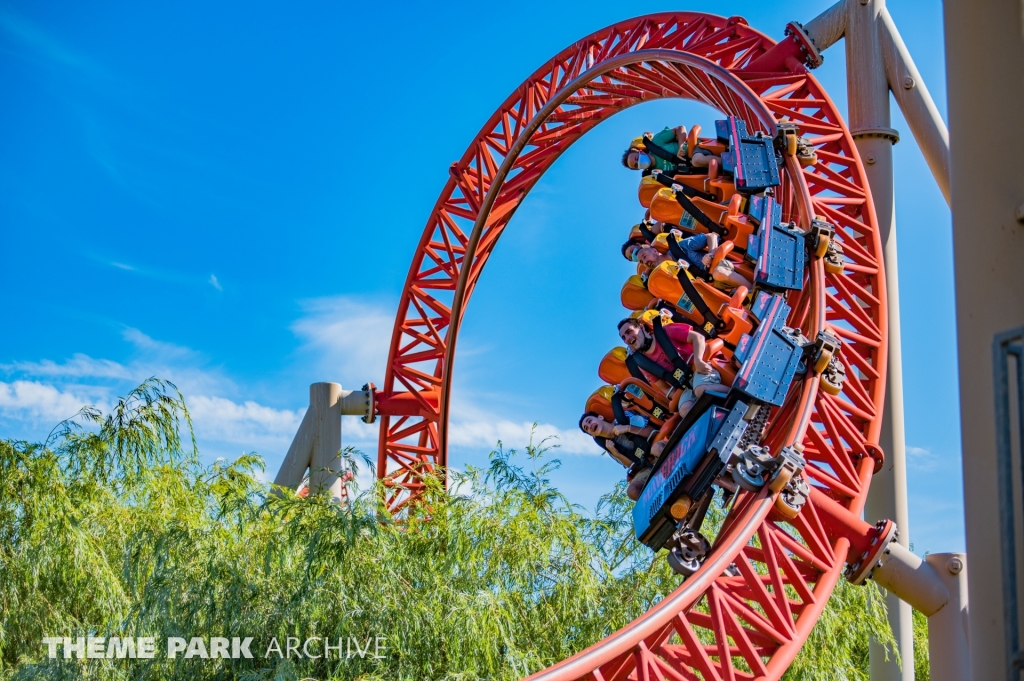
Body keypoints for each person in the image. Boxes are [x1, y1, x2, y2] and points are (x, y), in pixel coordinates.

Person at [617, 316, 729, 419]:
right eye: (624, 337)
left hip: (700, 369)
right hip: (686, 386)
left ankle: (738, 395)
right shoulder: (643, 363)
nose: (627, 338)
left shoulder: (666, 331)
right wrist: (677, 395)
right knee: (685, 409)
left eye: (629, 332)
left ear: (641, 327)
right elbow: (665, 388)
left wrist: (698, 360)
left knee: (701, 390)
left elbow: (697, 338)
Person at [636, 232, 752, 290]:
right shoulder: (667, 275)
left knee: (718, 273)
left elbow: (710, 236)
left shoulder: (680, 247)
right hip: (709, 288)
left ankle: (753, 290)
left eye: (645, 256)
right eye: (642, 262)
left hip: (716, 269)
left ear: (655, 251)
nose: (645, 262)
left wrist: (711, 254)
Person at [579, 412, 654, 500]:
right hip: (646, 465)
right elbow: (633, 465)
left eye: (589, 421)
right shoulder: (609, 447)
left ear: (600, 417)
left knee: (657, 449)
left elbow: (652, 431)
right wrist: (616, 453)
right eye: (586, 428)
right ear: (593, 435)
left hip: (655, 447)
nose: (590, 426)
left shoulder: (624, 417)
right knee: (632, 491)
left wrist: (628, 428)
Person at [621, 126, 719, 172]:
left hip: (696, 150)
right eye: (636, 165)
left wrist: (681, 146)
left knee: (697, 160)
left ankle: (729, 162)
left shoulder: (656, 143)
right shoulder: (656, 174)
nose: (638, 163)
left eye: (636, 159)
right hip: (697, 173)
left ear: (641, 152)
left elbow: (680, 129)